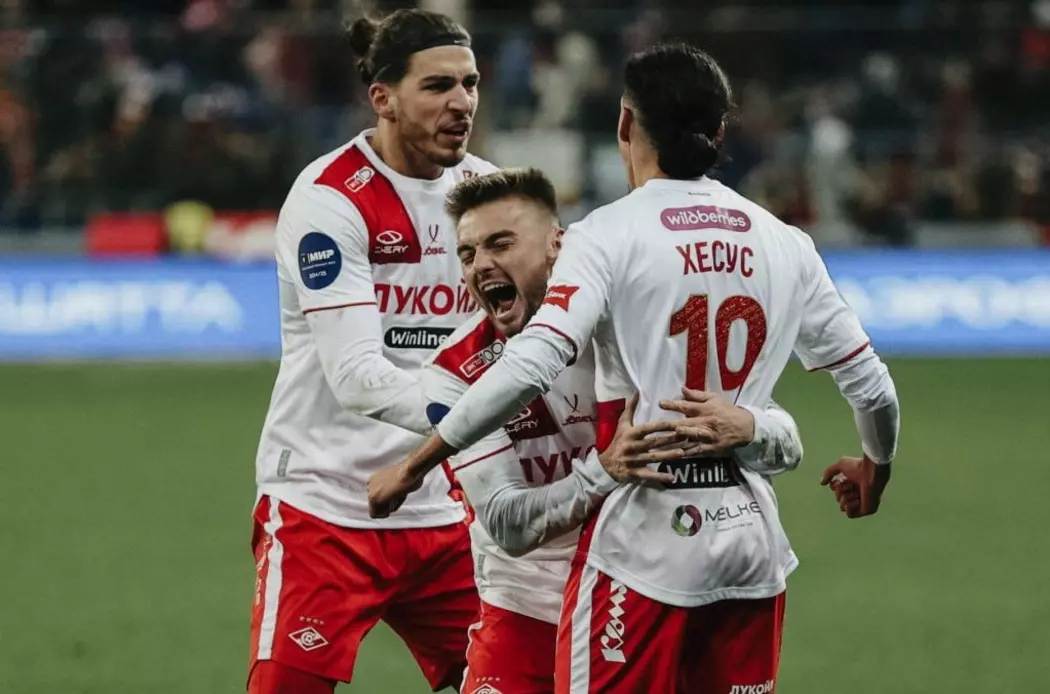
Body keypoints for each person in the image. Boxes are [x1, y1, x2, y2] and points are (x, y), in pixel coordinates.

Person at [369, 42, 901, 694]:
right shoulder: (785, 242)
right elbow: (871, 386)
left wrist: (416, 464)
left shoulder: (606, 236)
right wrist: (875, 464)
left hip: (643, 546)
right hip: (749, 546)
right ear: (721, 131)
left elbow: (531, 362)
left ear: (625, 124)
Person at [418, 167, 808, 694]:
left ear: (559, 246)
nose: (481, 264)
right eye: (467, 254)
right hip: (524, 615)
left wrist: (752, 427)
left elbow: (784, 443)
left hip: (641, 598)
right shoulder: (455, 371)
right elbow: (508, 526)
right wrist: (604, 472)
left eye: (501, 244)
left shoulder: (628, 328)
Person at [246, 9, 500, 694]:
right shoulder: (329, 201)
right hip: (325, 508)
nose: (462, 102)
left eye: (470, 84)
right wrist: (488, 412)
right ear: (382, 98)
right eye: (438, 86)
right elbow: (359, 378)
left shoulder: (490, 196)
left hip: (448, 511)